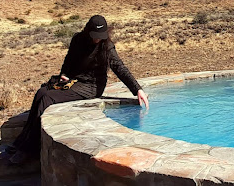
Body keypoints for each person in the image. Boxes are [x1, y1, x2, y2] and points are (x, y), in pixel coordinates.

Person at [9, 15, 149, 164]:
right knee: (41, 92)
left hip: (92, 87)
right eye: (95, 36)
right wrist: (64, 74)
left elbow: (120, 68)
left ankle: (29, 150)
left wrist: (137, 89)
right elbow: (69, 60)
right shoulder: (78, 40)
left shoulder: (106, 46)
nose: (98, 39)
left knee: (47, 98)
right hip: (75, 81)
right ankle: (23, 141)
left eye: (101, 36)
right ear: (88, 31)